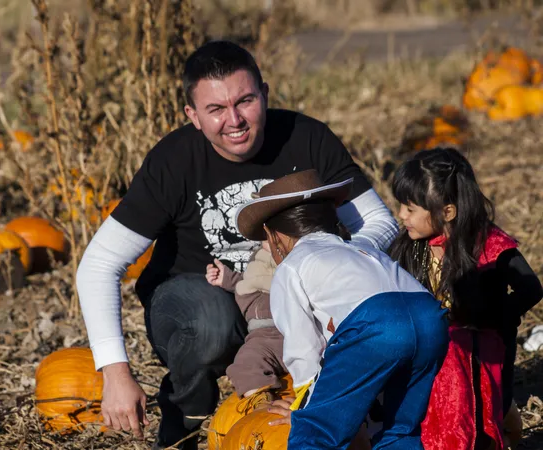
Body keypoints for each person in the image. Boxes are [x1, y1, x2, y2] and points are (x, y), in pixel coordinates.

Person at [75, 40, 399, 449]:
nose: (235, 120)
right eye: (215, 109)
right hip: (201, 299)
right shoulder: (174, 161)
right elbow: (99, 264)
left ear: (264, 93)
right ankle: (183, 425)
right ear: (192, 115)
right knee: (210, 322)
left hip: (297, 300)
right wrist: (115, 373)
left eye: (245, 101)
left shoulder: (307, 139)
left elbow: (379, 223)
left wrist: (333, 267)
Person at [234, 169, 449, 449]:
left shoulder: (292, 266)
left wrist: (305, 410)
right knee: (396, 429)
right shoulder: (365, 251)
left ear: (275, 237)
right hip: (430, 319)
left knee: (314, 435)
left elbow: (304, 352)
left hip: (377, 324)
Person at [387, 147, 543, 450]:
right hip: (431, 348)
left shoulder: (489, 244)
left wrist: (493, 319)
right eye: (401, 207)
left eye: (410, 208)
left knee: (478, 415)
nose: (401, 215)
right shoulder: (409, 245)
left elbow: (531, 289)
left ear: (447, 212)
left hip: (481, 350)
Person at [205, 242, 287, 406]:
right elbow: (248, 282)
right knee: (245, 365)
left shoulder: (306, 254)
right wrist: (227, 278)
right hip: (265, 336)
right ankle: (262, 404)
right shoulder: (258, 258)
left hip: (303, 329)